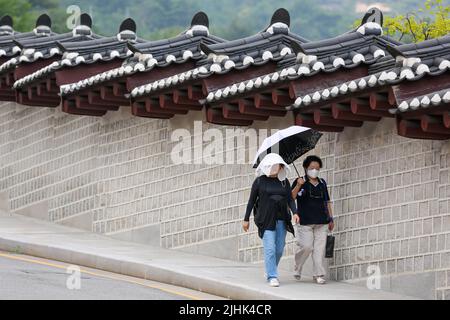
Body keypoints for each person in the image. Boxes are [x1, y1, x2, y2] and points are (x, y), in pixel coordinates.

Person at [242, 153, 297, 287]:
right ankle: (272, 275)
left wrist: (295, 212)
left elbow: (290, 199)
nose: (274, 167)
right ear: (266, 166)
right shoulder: (259, 181)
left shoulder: (285, 182)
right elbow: (251, 201)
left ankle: (270, 269)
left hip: (282, 219)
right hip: (266, 219)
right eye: (272, 165)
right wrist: (246, 219)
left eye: (277, 165)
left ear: (281, 167)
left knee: (279, 248)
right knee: (270, 249)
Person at [291, 155, 334, 284]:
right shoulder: (299, 181)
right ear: (305, 168)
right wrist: (298, 186)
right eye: (311, 168)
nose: (314, 170)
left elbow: (327, 202)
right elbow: (291, 198)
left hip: (322, 221)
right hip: (305, 222)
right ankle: (298, 267)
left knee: (319, 250)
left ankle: (319, 274)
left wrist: (331, 218)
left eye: (317, 168)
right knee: (307, 247)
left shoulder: (322, 183)